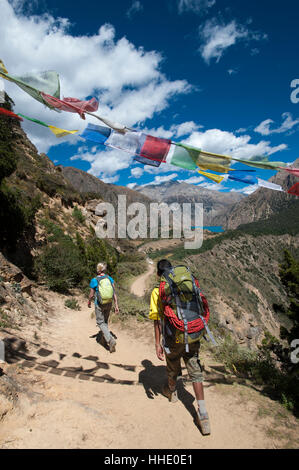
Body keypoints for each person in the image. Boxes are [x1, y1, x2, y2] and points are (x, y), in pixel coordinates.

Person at [149, 259, 211, 436]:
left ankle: (172, 392)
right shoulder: (185, 284)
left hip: (173, 337)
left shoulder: (157, 291)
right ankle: (203, 413)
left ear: (158, 274)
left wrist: (157, 343)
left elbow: (157, 320)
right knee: (195, 370)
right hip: (192, 334)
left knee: (172, 367)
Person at [88, 262, 119, 353]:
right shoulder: (109, 278)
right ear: (104, 269)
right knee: (105, 322)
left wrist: (89, 301)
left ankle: (110, 340)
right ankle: (103, 340)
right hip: (109, 303)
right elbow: (113, 292)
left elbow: (91, 294)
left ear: (98, 270)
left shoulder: (94, 280)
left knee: (100, 322)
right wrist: (116, 305)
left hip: (100, 303)